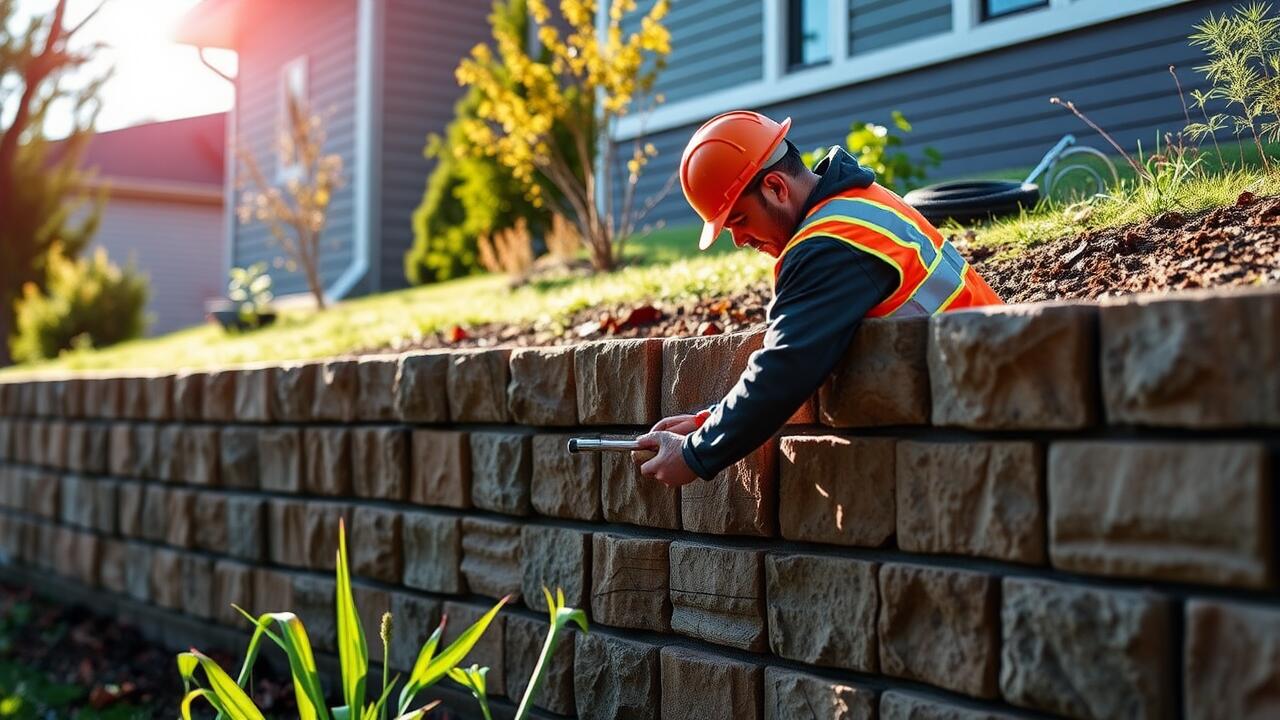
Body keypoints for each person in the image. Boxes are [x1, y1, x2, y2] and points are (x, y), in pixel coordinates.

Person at [633, 110, 1003, 486]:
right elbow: (812, 353)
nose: (740, 240)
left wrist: (697, 452)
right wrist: (712, 419)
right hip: (988, 381)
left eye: (739, 220)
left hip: (987, 409)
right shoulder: (857, 203)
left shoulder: (829, 244)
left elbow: (788, 365)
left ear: (776, 188)